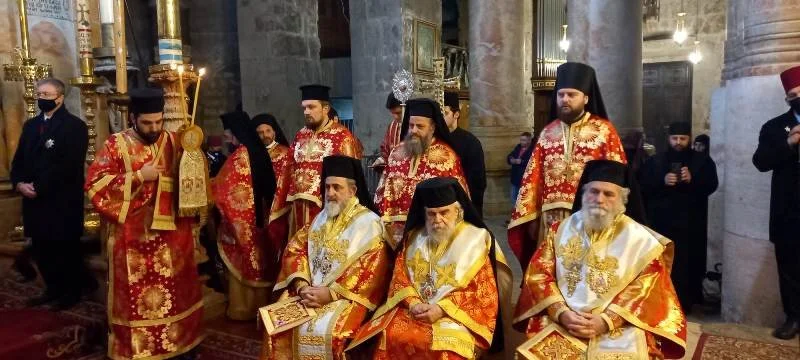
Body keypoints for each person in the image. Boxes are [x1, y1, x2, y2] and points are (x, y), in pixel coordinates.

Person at [514, 160, 686, 359]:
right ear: (584, 194)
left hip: (621, 324)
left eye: (608, 194)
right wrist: (561, 313)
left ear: (623, 199)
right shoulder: (560, 230)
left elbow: (647, 290)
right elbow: (539, 275)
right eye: (593, 191)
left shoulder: (641, 240)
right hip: (565, 320)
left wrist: (606, 321)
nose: (599, 199)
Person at [85, 88, 204, 359]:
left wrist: (194, 155)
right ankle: (137, 349)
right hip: (133, 237)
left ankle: (181, 343)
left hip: (173, 233)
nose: (154, 128)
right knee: (136, 296)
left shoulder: (175, 141)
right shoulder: (116, 145)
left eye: (158, 122)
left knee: (178, 290)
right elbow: (95, 185)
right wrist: (138, 175)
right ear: (133, 118)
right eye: (147, 123)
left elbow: (193, 180)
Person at [347, 177, 513, 359]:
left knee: (445, 349)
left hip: (456, 316)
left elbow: (483, 291)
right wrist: (414, 303)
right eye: (431, 214)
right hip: (414, 310)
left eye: (444, 212)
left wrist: (442, 309)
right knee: (386, 336)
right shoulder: (413, 238)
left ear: (458, 212)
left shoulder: (475, 240)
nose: (437, 220)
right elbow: (399, 279)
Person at [261, 155, 391, 360]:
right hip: (308, 292)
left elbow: (373, 271)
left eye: (337, 188)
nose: (330, 193)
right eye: (327, 187)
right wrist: (302, 284)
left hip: (346, 297)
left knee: (333, 334)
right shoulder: (321, 218)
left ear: (352, 191)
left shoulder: (369, 223)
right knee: (276, 328)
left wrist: (330, 294)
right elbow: (296, 249)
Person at [507, 62, 627, 266]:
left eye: (572, 95)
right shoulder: (547, 133)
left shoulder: (604, 131)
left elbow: (617, 177)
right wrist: (531, 216)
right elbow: (532, 178)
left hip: (590, 215)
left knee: (584, 272)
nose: (565, 99)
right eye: (561, 94)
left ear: (586, 98)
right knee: (552, 270)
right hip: (550, 219)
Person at [11, 77, 94, 310]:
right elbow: (19, 160)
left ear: (60, 97)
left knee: (64, 248)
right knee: (42, 248)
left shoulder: (74, 126)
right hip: (33, 200)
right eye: (39, 94)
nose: (41, 99)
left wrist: (38, 187)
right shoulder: (30, 126)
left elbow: (67, 165)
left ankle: (71, 292)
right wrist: (18, 183)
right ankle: (52, 288)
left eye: (47, 95)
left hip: (60, 200)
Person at [640, 122, 718, 312]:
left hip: (692, 222)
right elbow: (642, 186)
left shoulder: (702, 161)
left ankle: (686, 302)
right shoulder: (656, 161)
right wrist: (662, 180)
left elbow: (711, 185)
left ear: (689, 139)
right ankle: (661, 300)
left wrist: (694, 180)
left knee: (689, 262)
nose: (678, 143)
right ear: (668, 139)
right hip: (662, 222)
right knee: (664, 261)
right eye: (675, 138)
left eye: (683, 139)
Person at [374, 98, 469, 249]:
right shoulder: (396, 153)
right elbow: (382, 191)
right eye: (411, 125)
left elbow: (459, 200)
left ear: (432, 127)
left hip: (431, 232)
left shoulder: (447, 157)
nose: (413, 131)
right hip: (395, 234)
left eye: (420, 126)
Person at [213, 110, 278, 320]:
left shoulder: (240, 155)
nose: (227, 139)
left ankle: (243, 310)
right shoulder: (257, 151)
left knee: (244, 261)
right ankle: (262, 306)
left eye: (229, 135)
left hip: (244, 220)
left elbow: (226, 190)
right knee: (261, 263)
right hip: (262, 218)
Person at [752, 65, 800, 340]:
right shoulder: (774, 127)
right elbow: (760, 162)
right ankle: (793, 317)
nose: (797, 98)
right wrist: (789, 143)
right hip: (788, 210)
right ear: (787, 99)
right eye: (793, 94)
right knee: (790, 267)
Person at [287, 84, 362, 237]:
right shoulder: (300, 135)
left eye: (311, 107)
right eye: (304, 108)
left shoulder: (342, 137)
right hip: (298, 209)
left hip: (326, 207)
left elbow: (350, 179)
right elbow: (288, 170)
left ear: (325, 108)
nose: (306, 112)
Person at [252, 113, 292, 254]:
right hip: (258, 205)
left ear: (274, 131)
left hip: (280, 206)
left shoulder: (286, 153)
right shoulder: (251, 154)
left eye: (268, 131)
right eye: (260, 133)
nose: (265, 135)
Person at [444, 91, 487, 216]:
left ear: (456, 114)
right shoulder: (434, 141)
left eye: (445, 113)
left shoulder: (470, 142)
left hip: (463, 205)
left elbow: (477, 182)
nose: (440, 118)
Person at [372, 92, 405, 171]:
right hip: (394, 173)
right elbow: (386, 152)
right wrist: (380, 161)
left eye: (398, 113)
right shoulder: (392, 126)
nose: (395, 117)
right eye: (392, 113)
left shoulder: (415, 127)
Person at [507, 132, 534, 210]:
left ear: (529, 141)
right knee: (513, 198)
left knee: (522, 200)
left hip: (524, 178)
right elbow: (510, 156)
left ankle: (520, 218)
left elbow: (532, 162)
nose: (521, 142)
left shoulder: (532, 150)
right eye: (521, 140)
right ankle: (514, 217)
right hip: (515, 178)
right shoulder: (518, 147)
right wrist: (511, 159)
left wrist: (521, 162)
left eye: (524, 140)